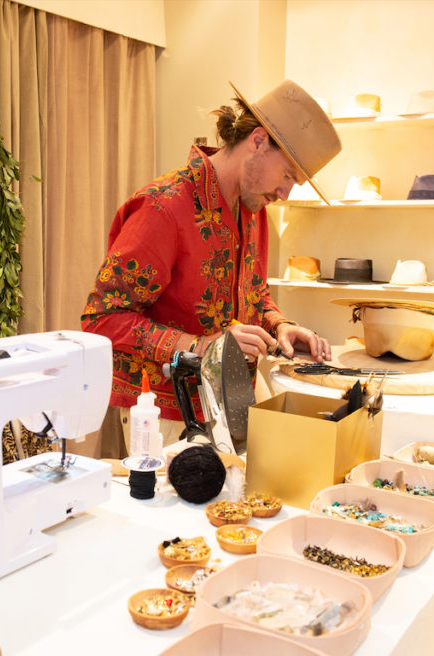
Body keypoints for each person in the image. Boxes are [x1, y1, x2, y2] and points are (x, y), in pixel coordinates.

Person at [81, 79, 342, 432]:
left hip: (235, 396)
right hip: (167, 412)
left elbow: (253, 294)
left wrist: (280, 325)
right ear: (258, 141)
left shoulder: (254, 209)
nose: (285, 192)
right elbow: (102, 318)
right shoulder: (163, 207)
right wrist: (200, 346)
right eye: (286, 176)